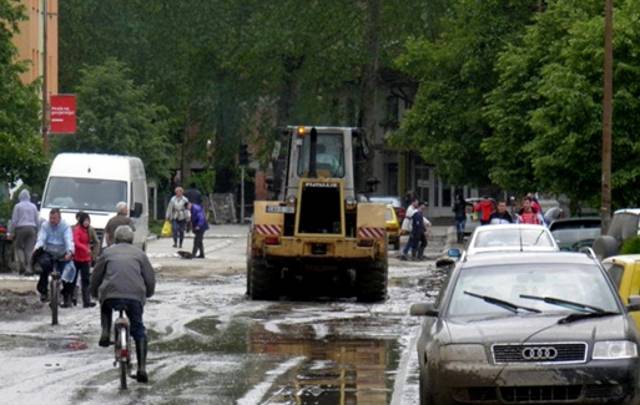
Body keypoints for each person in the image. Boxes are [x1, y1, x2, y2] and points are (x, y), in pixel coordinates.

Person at [91, 225, 155, 383]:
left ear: (115, 238)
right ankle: (142, 368)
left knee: (105, 305)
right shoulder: (140, 254)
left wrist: (94, 292)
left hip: (111, 294)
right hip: (135, 296)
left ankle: (105, 332)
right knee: (138, 329)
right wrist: (148, 292)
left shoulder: (107, 253)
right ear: (131, 239)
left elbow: (96, 276)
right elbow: (149, 278)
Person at [33, 208, 75, 304]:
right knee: (44, 268)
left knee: (69, 271)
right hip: (49, 252)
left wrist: (70, 252)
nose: (52, 220)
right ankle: (43, 292)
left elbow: (68, 240)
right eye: (50, 218)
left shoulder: (65, 226)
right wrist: (36, 248)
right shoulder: (45, 225)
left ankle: (67, 295)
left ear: (59, 218)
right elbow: (41, 238)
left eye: (54, 218)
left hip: (62, 253)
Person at [8, 189, 39, 275]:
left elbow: (14, 220)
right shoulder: (34, 206)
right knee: (29, 250)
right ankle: (29, 268)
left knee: (19, 247)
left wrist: (11, 232)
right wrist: (38, 231)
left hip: (20, 229)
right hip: (32, 229)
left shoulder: (17, 206)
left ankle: (22, 265)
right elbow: (37, 220)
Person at [72, 212, 99, 308]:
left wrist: (94, 255)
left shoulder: (90, 230)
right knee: (73, 279)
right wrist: (85, 248)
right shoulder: (77, 229)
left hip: (86, 258)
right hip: (76, 257)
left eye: (88, 220)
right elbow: (76, 242)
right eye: (85, 221)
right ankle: (71, 298)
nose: (87, 223)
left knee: (86, 280)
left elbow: (96, 242)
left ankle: (86, 301)